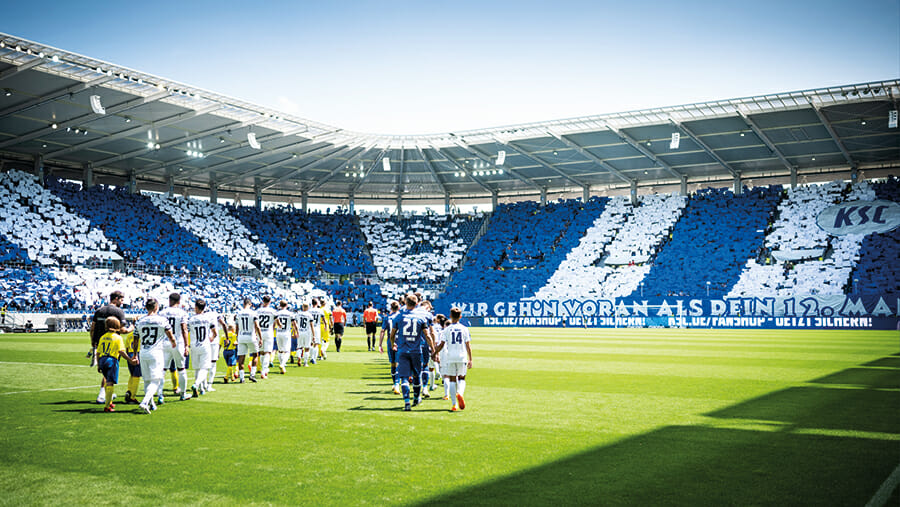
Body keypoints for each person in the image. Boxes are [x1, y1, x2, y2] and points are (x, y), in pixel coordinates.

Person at [390, 294, 434, 411]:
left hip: (403, 350)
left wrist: (393, 343)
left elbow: (392, 334)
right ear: (416, 304)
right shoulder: (421, 318)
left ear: (405, 302)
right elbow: (428, 335)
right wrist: (433, 349)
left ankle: (406, 402)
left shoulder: (399, 317)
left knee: (404, 377)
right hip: (416, 351)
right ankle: (416, 397)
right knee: (416, 376)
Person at [134, 298, 177, 414]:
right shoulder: (162, 320)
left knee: (147, 380)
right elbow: (170, 334)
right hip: (156, 352)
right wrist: (174, 342)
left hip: (143, 352)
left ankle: (151, 403)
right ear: (156, 307)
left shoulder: (140, 321)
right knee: (156, 380)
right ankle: (145, 401)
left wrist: (134, 354)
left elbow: (135, 339)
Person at [89, 290, 132, 405]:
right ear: (116, 299)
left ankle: (107, 392)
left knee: (104, 369)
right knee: (109, 371)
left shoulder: (99, 310)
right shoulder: (118, 312)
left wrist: (93, 341)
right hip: (113, 343)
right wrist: (131, 328)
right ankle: (103, 395)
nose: (122, 303)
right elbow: (122, 330)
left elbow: (92, 328)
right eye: (121, 300)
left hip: (100, 342)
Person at [432, 307, 473, 412]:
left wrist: (435, 353)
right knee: (462, 378)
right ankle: (460, 393)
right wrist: (470, 359)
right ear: (460, 316)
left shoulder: (446, 330)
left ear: (450, 316)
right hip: (462, 356)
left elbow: (441, 344)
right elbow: (468, 345)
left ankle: (454, 404)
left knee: (452, 380)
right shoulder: (465, 329)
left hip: (450, 357)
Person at [96, 316, 137, 412]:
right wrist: (130, 360)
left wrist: (98, 364)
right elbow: (121, 352)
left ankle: (109, 402)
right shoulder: (118, 338)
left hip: (102, 359)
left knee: (106, 380)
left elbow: (98, 352)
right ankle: (107, 406)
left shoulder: (103, 337)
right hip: (112, 360)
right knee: (110, 382)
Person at [159, 292, 190, 402]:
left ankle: (160, 395)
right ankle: (183, 394)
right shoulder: (182, 313)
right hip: (178, 343)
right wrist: (186, 345)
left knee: (162, 370)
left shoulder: (162, 313)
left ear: (169, 300)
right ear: (179, 301)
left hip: (165, 342)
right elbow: (184, 329)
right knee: (181, 369)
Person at [187, 298, 218, 398]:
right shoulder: (208, 319)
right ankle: (196, 385)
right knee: (204, 368)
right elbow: (215, 332)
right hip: (205, 345)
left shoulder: (191, 319)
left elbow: (186, 331)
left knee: (197, 368)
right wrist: (211, 338)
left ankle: (200, 389)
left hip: (194, 345)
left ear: (195, 307)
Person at [235, 297, 262, 383]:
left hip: (241, 336)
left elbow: (237, 327)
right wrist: (260, 338)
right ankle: (252, 375)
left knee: (241, 358)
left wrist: (237, 336)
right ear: (250, 304)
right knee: (255, 355)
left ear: (243, 304)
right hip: (251, 336)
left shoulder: (238, 313)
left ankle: (242, 378)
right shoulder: (253, 313)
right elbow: (257, 326)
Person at [378, 300, 401, 394]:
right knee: (399, 363)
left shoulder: (387, 318)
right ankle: (397, 384)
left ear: (391, 308)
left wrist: (380, 344)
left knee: (392, 363)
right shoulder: (401, 317)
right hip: (400, 341)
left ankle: (395, 383)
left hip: (390, 341)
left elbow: (382, 331)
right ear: (399, 308)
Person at [256, 295, 277, 379]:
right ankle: (264, 371)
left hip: (260, 332)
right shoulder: (272, 311)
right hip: (268, 332)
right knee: (268, 352)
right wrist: (278, 325)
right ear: (270, 302)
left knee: (261, 352)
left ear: (262, 301)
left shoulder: (258, 311)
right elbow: (276, 320)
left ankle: (262, 369)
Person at [274, 300, 295, 374]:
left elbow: (274, 323)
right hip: (286, 333)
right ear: (287, 305)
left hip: (279, 332)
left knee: (280, 350)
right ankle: (282, 364)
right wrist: (296, 332)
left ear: (280, 305)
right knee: (287, 351)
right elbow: (294, 324)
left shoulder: (277, 313)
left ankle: (282, 366)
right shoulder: (290, 314)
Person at [294, 302, 315, 367]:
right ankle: (305, 363)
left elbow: (295, 324)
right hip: (307, 332)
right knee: (307, 348)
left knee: (299, 347)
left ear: (302, 307)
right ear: (308, 307)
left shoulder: (298, 314)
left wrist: (295, 332)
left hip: (300, 331)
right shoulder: (309, 315)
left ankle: (299, 357)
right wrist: (313, 335)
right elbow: (312, 326)